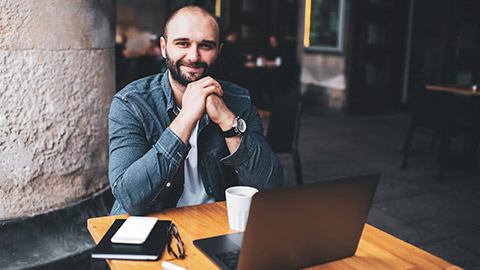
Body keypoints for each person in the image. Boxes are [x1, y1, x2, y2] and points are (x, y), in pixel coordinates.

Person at [108, 5, 284, 215]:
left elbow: (270, 185)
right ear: (164, 47)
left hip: (213, 224)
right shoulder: (131, 103)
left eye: (206, 46)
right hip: (149, 226)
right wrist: (186, 117)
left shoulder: (238, 100)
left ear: (219, 51)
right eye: (183, 43)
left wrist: (228, 122)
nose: (193, 56)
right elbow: (129, 198)